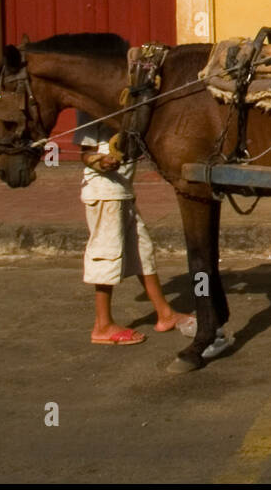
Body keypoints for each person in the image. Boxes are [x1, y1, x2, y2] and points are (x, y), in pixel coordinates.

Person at [75, 110, 195, 346]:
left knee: (143, 252)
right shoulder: (89, 109)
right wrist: (100, 161)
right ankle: (102, 325)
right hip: (104, 193)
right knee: (107, 255)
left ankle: (165, 314)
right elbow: (85, 154)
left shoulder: (127, 107)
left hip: (123, 192)